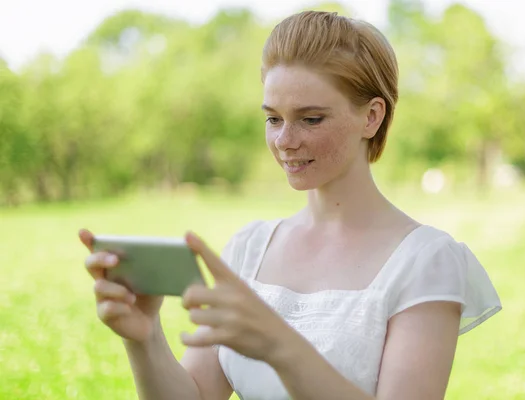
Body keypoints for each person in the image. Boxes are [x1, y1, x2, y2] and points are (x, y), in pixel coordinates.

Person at [80, 10, 502, 400]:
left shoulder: (427, 261)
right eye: (273, 118)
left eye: (310, 119)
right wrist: (143, 336)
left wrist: (279, 345)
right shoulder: (250, 248)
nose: (284, 141)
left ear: (372, 117)